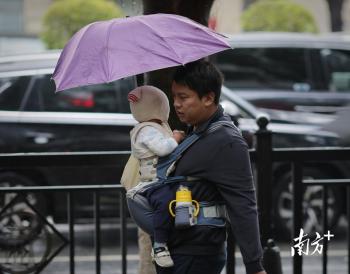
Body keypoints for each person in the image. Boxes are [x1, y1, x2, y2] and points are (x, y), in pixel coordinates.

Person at [155, 60, 266, 274]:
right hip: (177, 250)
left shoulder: (226, 141)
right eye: (175, 96)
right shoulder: (195, 132)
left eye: (184, 97)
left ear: (208, 98)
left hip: (196, 254)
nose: (176, 104)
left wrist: (255, 266)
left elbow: (243, 205)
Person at [126, 85, 185, 268]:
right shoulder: (146, 130)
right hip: (153, 183)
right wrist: (175, 138)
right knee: (164, 202)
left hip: (163, 180)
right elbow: (163, 149)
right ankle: (160, 246)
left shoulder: (154, 127)